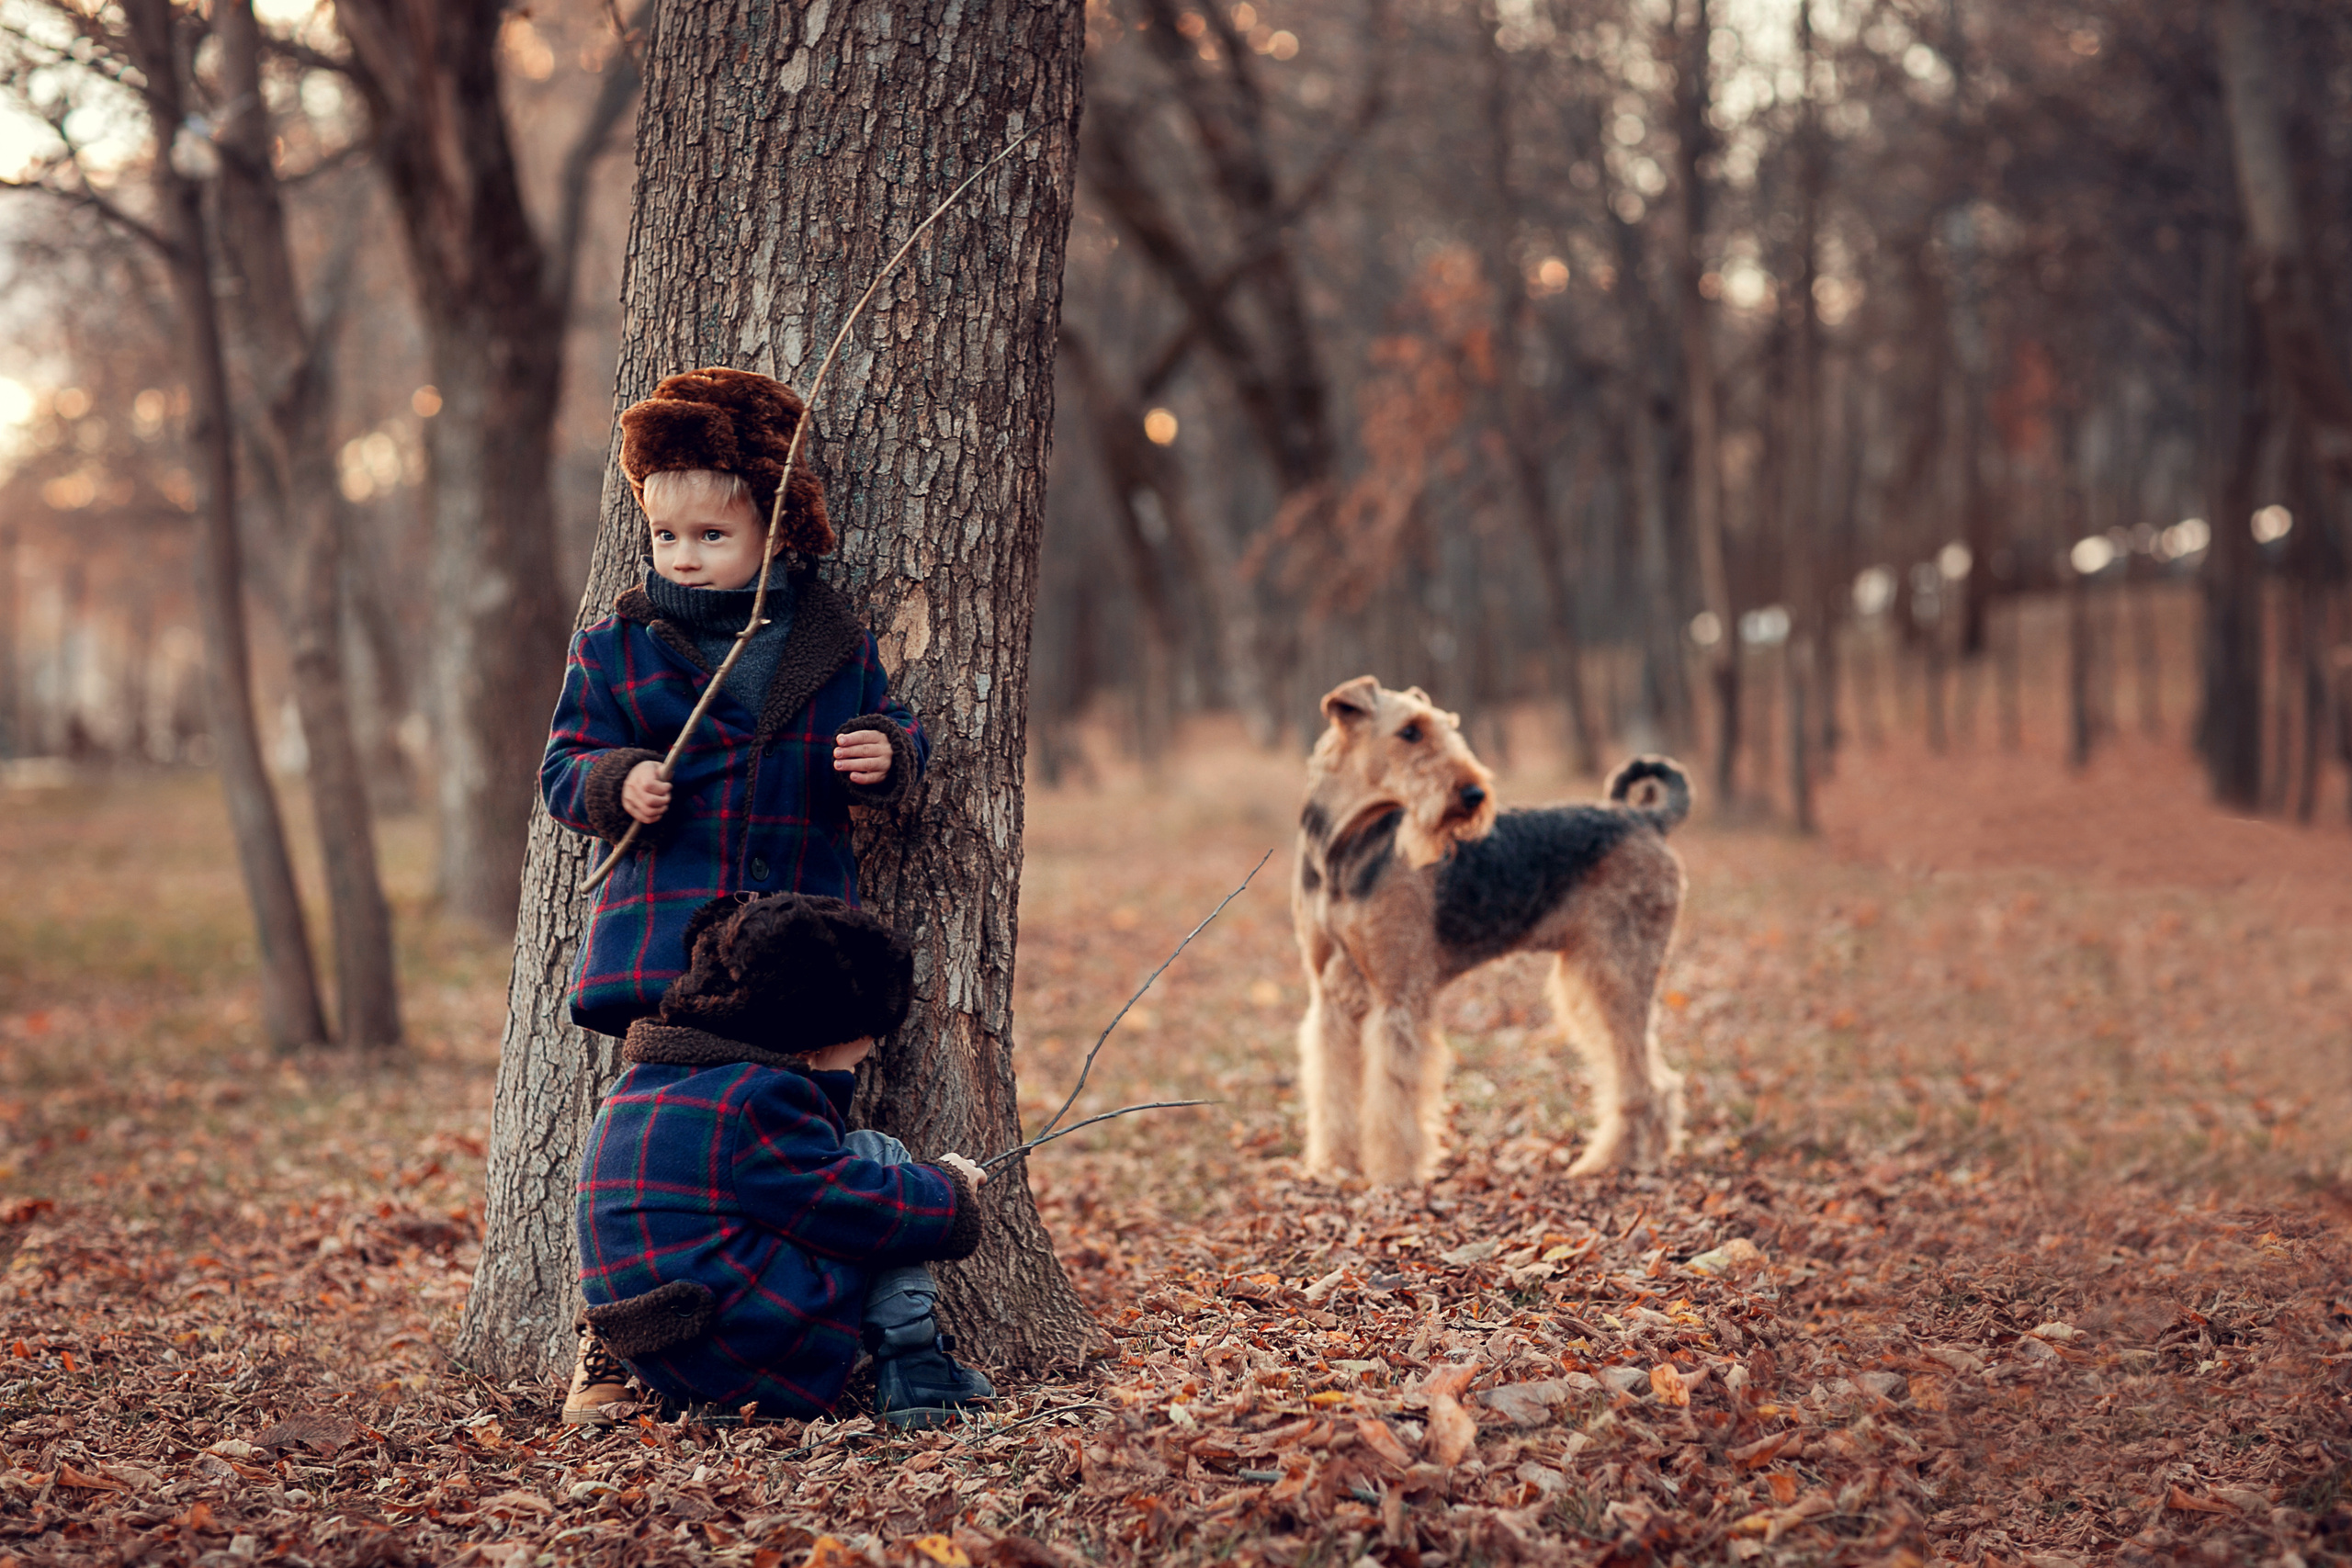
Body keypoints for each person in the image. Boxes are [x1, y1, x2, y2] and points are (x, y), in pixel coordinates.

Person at [541, 365, 927, 1040]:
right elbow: (564, 765)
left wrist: (888, 750)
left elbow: (891, 721)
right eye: (666, 535)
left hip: (802, 942)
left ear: (776, 532)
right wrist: (617, 781)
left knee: (801, 1093)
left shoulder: (833, 642)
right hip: (670, 947)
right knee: (684, 1106)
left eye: (710, 535)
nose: (683, 557)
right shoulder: (618, 647)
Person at [565, 892, 997, 1429]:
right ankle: (917, 1364)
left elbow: (788, 1182)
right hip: (745, 1349)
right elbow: (849, 1204)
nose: (871, 1050)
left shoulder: (646, 1087)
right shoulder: (759, 1099)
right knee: (875, 1159)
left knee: (854, 1169)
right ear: (820, 1034)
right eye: (866, 1037)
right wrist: (949, 1187)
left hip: (668, 1353)